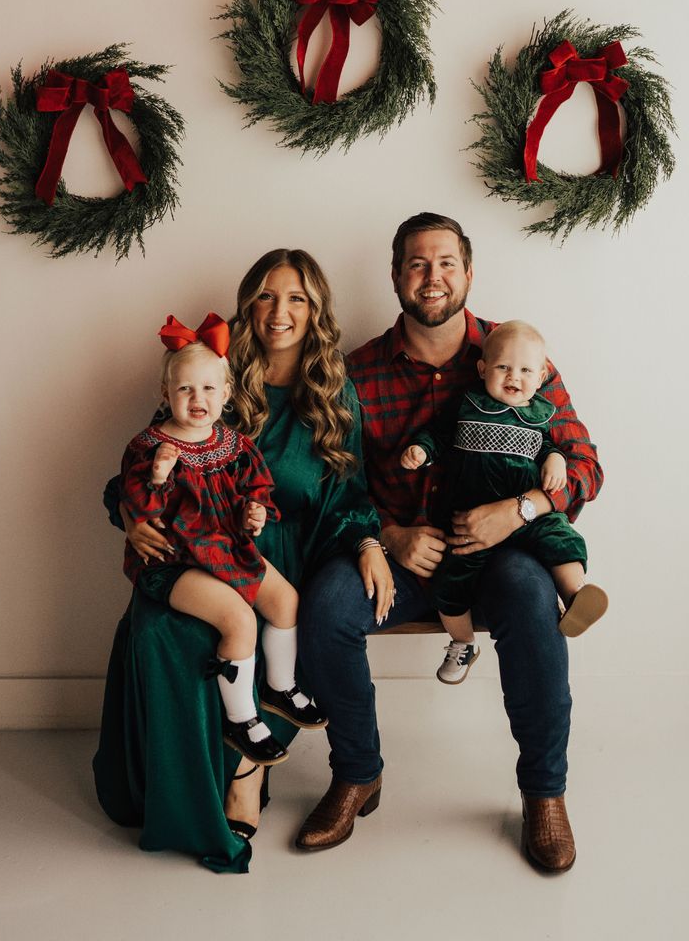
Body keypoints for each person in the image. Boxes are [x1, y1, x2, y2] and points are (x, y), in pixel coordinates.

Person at [295, 213, 603, 874]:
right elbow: (335, 485)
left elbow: (583, 465)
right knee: (324, 607)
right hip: (401, 558)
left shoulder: (520, 354)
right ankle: (358, 773)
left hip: (501, 556)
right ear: (395, 277)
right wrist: (390, 535)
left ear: (467, 272)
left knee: (531, 593)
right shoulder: (360, 372)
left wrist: (518, 509)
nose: (431, 277)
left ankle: (544, 792)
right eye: (416, 263)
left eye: (445, 263)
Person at [93, 249, 391, 873]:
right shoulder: (206, 378)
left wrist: (367, 542)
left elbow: (350, 492)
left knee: (263, 619)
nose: (279, 313)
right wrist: (133, 519)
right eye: (265, 297)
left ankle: (246, 773)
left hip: (275, 555)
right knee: (164, 631)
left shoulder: (333, 396)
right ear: (247, 304)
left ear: (316, 314)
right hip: (187, 558)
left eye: (297, 299)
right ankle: (165, 792)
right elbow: (135, 476)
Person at [119, 313, 327, 776]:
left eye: (210, 389)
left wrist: (255, 514)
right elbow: (138, 505)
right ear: (166, 395)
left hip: (227, 550)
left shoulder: (234, 444)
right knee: (238, 619)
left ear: (226, 394)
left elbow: (257, 491)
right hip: (173, 561)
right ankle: (241, 719)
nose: (198, 399)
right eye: (186, 389)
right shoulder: (150, 446)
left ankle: (279, 685)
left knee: (287, 602)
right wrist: (159, 476)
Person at [400, 318, 608, 685]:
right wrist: (422, 451)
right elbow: (439, 435)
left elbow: (552, 447)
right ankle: (462, 642)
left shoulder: (541, 413)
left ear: (542, 376)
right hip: (470, 520)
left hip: (526, 517)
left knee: (560, 537)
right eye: (503, 368)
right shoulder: (467, 404)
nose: (514, 377)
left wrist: (556, 460)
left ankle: (575, 595)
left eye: (526, 370)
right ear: (482, 370)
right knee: (450, 585)